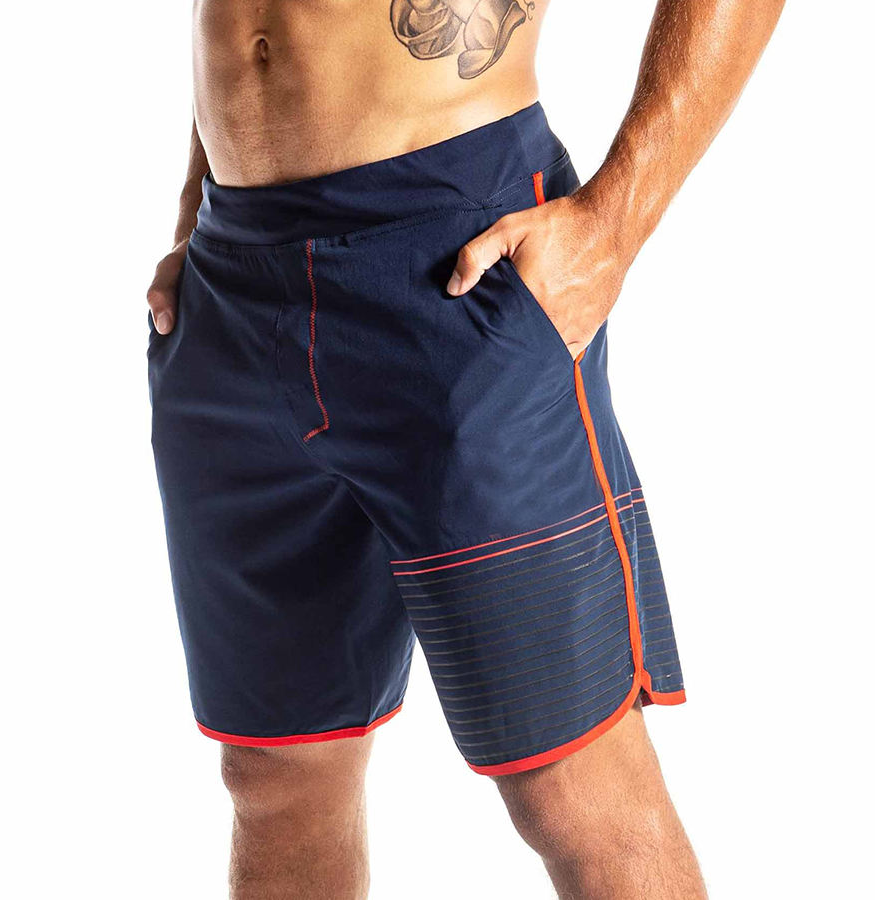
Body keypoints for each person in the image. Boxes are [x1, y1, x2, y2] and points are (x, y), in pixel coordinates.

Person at [147, 1, 782, 896]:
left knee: (571, 788)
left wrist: (613, 225)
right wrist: (196, 202)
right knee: (277, 773)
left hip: (456, 256)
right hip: (234, 281)